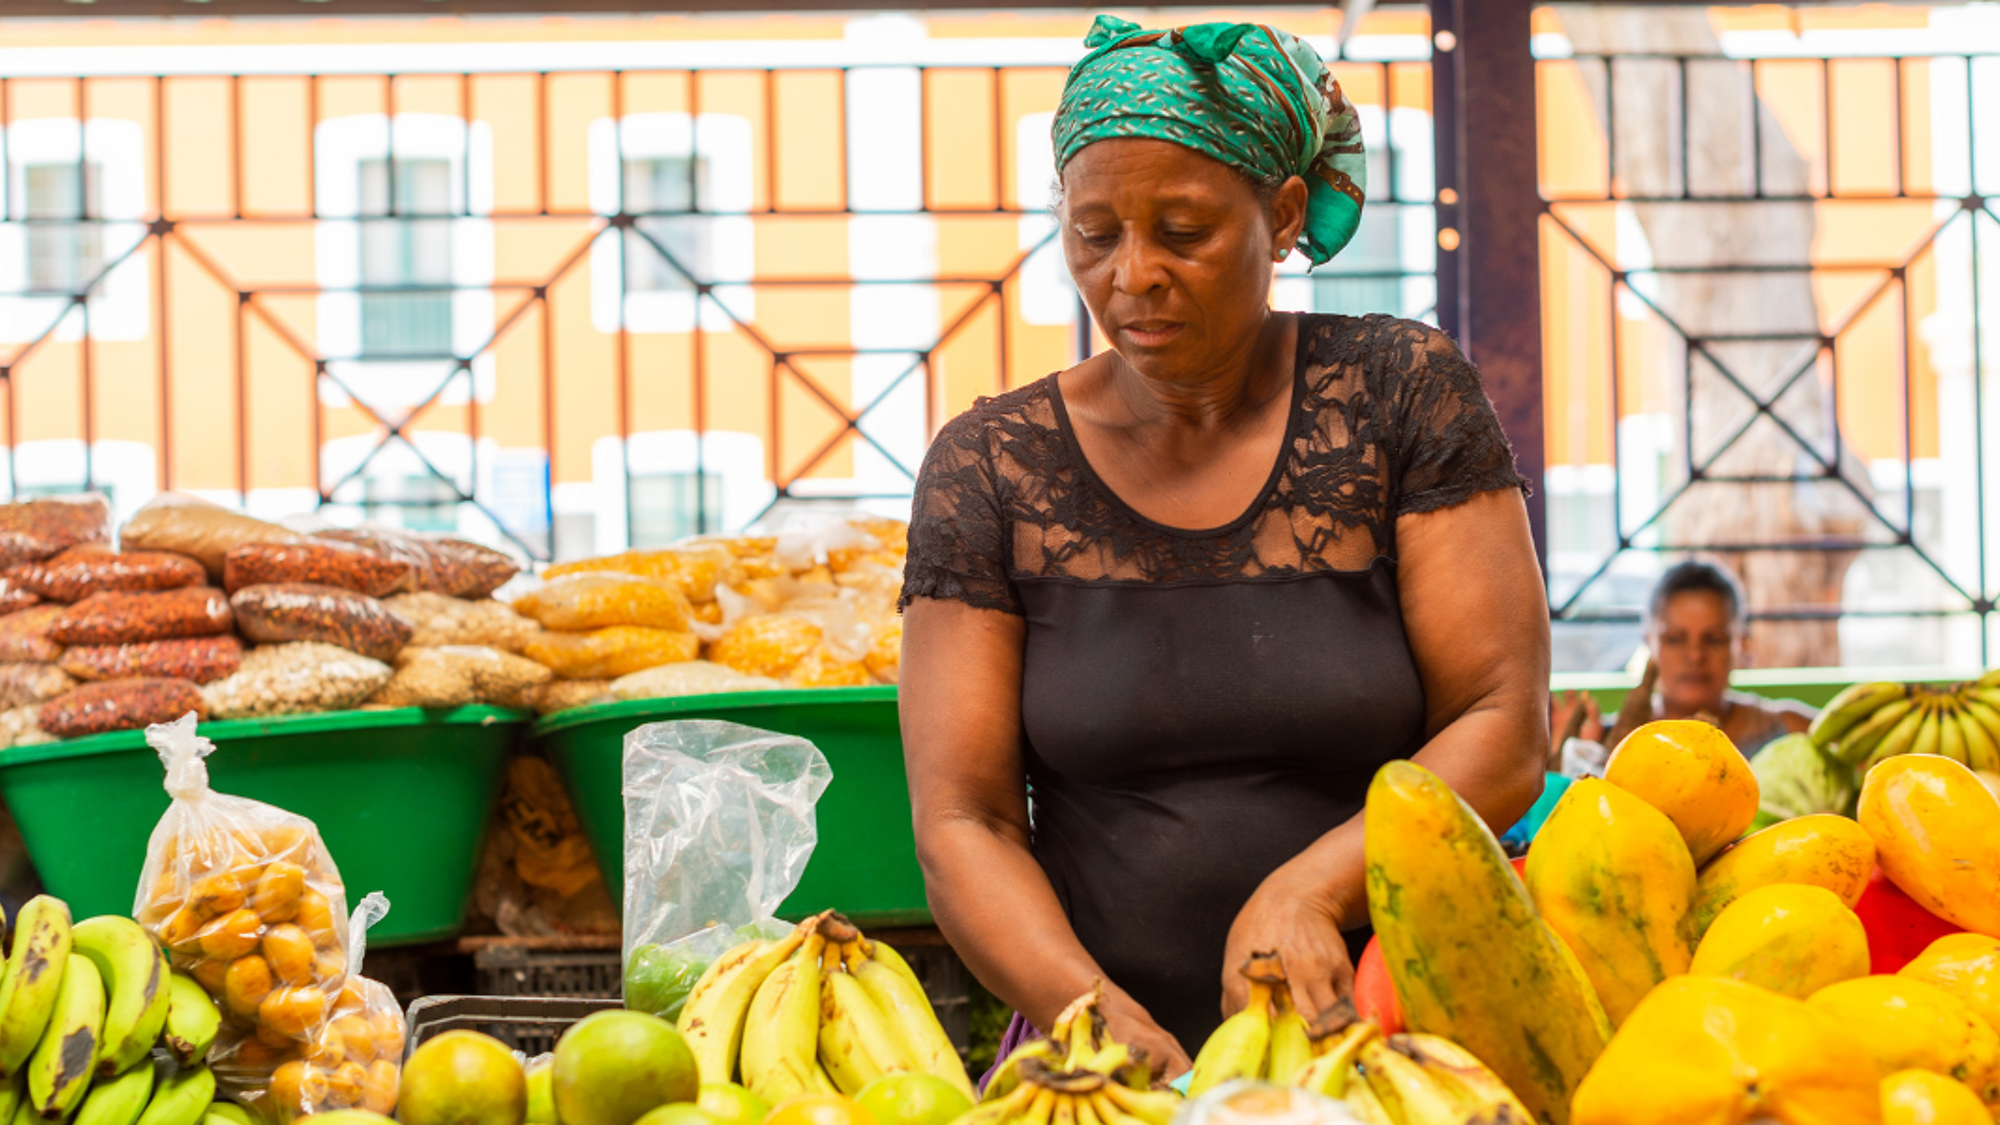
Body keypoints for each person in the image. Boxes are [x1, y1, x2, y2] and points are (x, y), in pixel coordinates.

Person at [896, 15, 1550, 1076]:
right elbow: (962, 820)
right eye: (1094, 233)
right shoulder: (990, 466)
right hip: (1099, 1059)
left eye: (1182, 230)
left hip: (1396, 1040)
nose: (1133, 275)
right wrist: (1095, 1018)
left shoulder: (1398, 396)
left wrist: (1307, 888)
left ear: (1281, 213)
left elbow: (1500, 721)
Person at [1552, 559, 1813, 765]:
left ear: (1741, 644)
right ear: (1649, 642)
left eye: (1714, 639)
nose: (1695, 655)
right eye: (1675, 639)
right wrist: (1561, 756)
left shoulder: (1793, 732)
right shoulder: (1605, 743)